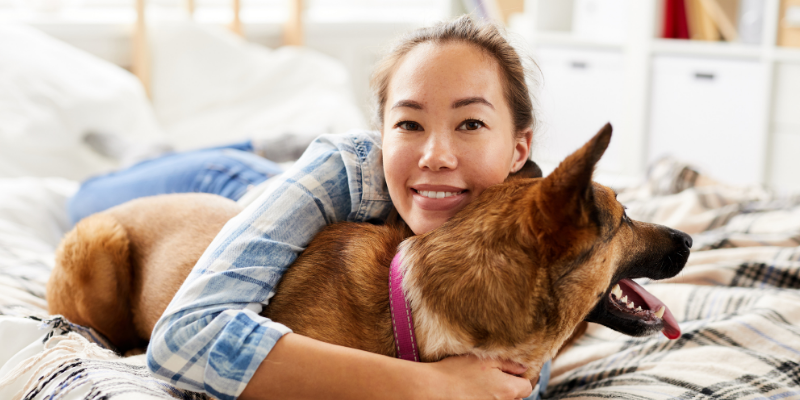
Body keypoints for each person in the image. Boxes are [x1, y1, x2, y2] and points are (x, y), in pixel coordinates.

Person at [70, 15, 548, 400]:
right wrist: (429, 385)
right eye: (408, 124)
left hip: (277, 186)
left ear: (518, 149)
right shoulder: (348, 171)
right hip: (231, 190)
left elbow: (519, 371)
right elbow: (183, 338)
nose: (435, 157)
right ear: (382, 135)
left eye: (470, 124)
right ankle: (196, 151)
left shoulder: (543, 233)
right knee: (88, 194)